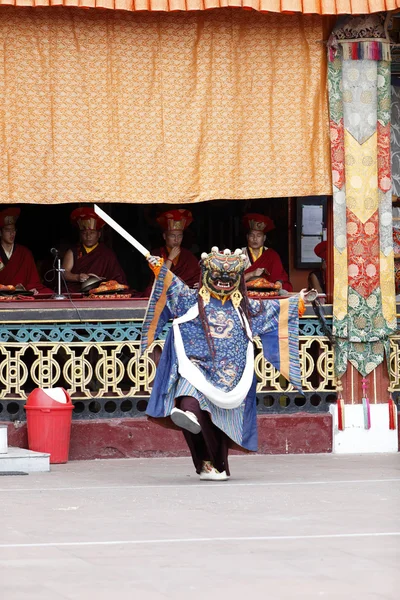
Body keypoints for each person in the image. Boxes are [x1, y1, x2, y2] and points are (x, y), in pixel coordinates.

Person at [141, 246, 305, 481]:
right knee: (190, 406)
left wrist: (298, 300)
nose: (224, 282)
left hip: (230, 376)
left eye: (230, 278)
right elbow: (172, 286)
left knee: (215, 422)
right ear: (207, 276)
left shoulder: (246, 308)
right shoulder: (191, 300)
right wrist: (160, 269)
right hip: (195, 369)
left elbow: (276, 310)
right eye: (218, 277)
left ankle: (215, 466)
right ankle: (196, 439)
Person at [63, 207, 127, 293]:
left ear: (99, 234)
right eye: (84, 233)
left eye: (92, 233)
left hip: (101, 291)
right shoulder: (74, 252)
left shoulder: (107, 253)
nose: (88, 236)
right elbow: (63, 273)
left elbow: (118, 278)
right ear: (80, 235)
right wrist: (78, 277)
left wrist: (102, 281)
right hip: (77, 290)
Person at [144, 209, 200, 295]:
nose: (176, 240)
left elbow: (198, 277)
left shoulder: (188, 256)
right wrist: (170, 258)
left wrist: (200, 284)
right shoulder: (157, 253)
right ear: (164, 236)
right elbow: (161, 278)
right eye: (172, 236)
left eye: (179, 236)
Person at [0, 208, 52, 294]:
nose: (12, 233)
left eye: (14, 230)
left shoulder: (24, 253)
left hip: (22, 291)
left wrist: (28, 288)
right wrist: (9, 288)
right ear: (0, 233)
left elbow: (33, 281)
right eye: (8, 230)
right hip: (2, 292)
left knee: (49, 293)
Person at [242, 213, 293, 292]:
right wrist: (252, 274)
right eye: (252, 236)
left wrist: (278, 282)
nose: (255, 239)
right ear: (247, 237)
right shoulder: (239, 254)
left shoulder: (272, 255)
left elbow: (280, 276)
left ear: (264, 238)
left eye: (259, 236)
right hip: (245, 292)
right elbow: (233, 281)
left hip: (267, 292)